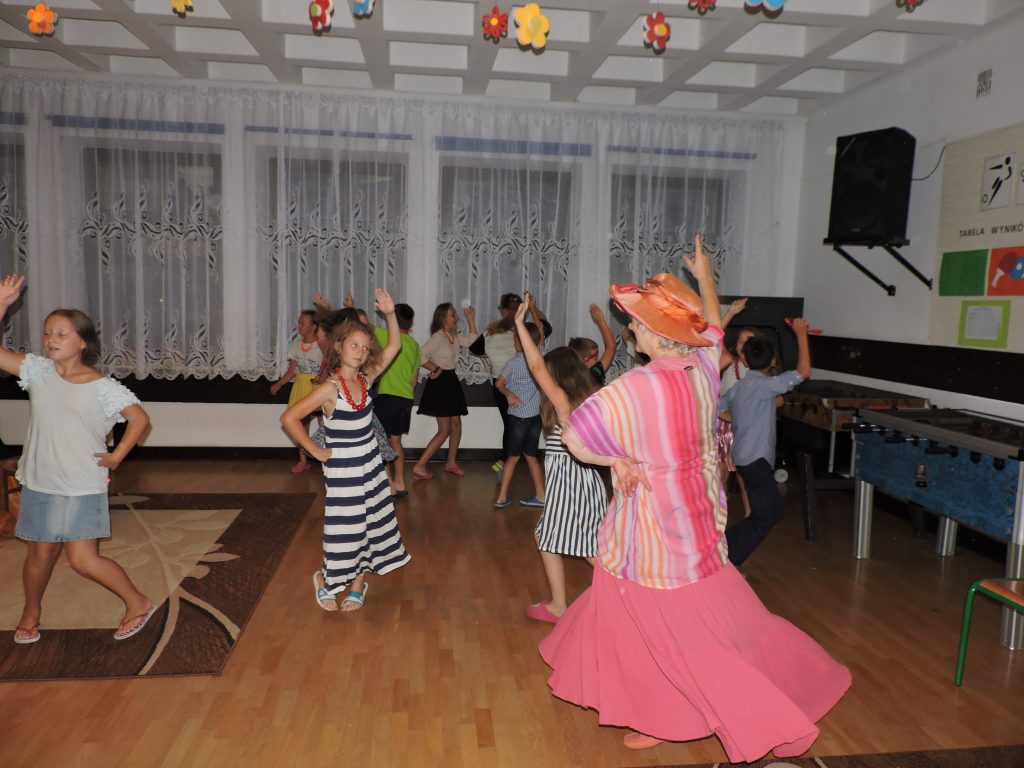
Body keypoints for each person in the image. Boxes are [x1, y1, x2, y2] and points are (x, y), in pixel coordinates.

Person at [539, 236, 850, 761]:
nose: (632, 329)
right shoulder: (705, 364)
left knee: (669, 632)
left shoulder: (633, 387)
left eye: (637, 324)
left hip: (653, 534)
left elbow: (574, 436)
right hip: (700, 520)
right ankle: (663, 711)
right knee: (694, 622)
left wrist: (614, 460)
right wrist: (705, 276)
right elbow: (713, 325)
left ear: (658, 334)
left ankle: (720, 711)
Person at [0, 275, 157, 644]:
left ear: (82, 342)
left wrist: (116, 456)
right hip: (40, 480)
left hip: (82, 483)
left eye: (61, 334)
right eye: (47, 333)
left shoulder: (103, 387)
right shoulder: (38, 372)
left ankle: (138, 602)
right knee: (39, 556)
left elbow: (139, 419)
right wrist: (2, 304)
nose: (51, 339)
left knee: (83, 561)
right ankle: (30, 612)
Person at [281, 288, 410, 612]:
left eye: (365, 348)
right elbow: (290, 418)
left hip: (370, 464)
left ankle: (357, 585)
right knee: (344, 529)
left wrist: (390, 314)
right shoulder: (329, 388)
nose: (361, 352)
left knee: (368, 525)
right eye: (354, 345)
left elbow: (395, 346)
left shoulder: (366, 379)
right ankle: (326, 579)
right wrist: (316, 451)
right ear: (338, 346)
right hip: (343, 468)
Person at [512, 299, 606, 624]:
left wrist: (520, 325)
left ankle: (618, 596)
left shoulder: (565, 402)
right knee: (560, 538)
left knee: (583, 546)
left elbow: (537, 367)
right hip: (585, 479)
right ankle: (561, 603)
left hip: (570, 479)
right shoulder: (589, 398)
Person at [719, 319, 811, 566]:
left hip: (744, 458)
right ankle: (725, 554)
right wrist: (801, 334)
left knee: (771, 512)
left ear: (746, 361)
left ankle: (724, 551)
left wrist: (736, 417)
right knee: (766, 515)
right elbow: (803, 372)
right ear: (772, 362)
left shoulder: (741, 387)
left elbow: (718, 407)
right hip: (756, 460)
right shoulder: (766, 386)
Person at [469, 293, 552, 474]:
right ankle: (516, 456)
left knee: (513, 422)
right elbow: (544, 327)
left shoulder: (495, 332)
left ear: (503, 310)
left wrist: (491, 357)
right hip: (519, 382)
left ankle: (511, 456)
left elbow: (474, 349)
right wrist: (532, 307)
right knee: (520, 421)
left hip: (509, 382)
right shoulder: (522, 331)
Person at [410, 303, 478, 481]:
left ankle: (451, 463)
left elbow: (473, 342)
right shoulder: (438, 337)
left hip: (451, 381)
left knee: (456, 425)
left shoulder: (453, 335)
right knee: (444, 430)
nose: (457, 318)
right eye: (453, 315)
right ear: (443, 318)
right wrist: (435, 368)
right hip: (440, 384)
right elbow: (419, 355)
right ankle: (419, 466)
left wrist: (471, 319)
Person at [492, 310, 545, 510]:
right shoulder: (541, 357)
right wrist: (532, 308)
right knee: (531, 456)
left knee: (513, 457)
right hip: (536, 417)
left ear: (521, 342)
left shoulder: (515, 362)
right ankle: (541, 495)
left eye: (515, 340)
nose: (514, 343)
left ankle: (502, 497)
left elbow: (499, 384)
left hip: (518, 417)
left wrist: (508, 393)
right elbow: (540, 333)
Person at [371, 303, 419, 498]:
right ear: (410, 323)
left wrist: (351, 306)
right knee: (396, 440)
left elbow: (362, 324)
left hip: (387, 397)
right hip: (406, 398)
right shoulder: (415, 345)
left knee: (379, 440)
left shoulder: (385, 335)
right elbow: (414, 380)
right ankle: (400, 481)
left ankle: (389, 483)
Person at [270, 309, 322, 474]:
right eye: (299, 323)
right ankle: (303, 460)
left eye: (302, 323)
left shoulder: (321, 345)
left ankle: (326, 457)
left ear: (314, 326)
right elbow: (292, 370)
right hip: (301, 386)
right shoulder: (295, 345)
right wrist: (280, 383)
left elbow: (327, 366)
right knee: (300, 425)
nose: (299, 326)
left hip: (318, 387)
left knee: (324, 424)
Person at [567, 303, 616, 385]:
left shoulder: (569, 378)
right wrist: (600, 320)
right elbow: (611, 347)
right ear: (585, 360)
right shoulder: (592, 375)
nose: (598, 360)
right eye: (595, 358)